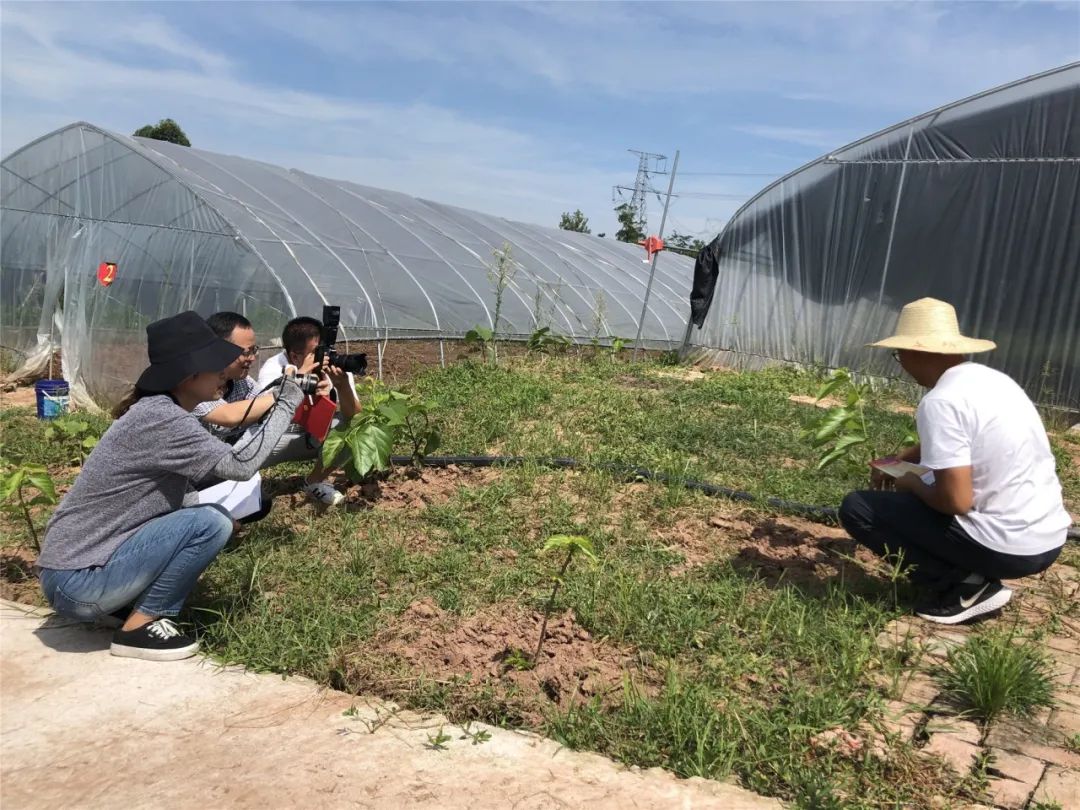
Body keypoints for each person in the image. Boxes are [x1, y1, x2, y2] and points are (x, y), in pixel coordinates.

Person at [36, 311, 306, 661]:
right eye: (215, 366)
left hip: (73, 577)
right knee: (211, 521)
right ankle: (140, 627)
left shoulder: (159, 411)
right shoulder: (162, 418)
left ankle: (125, 605)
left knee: (209, 516)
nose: (222, 374)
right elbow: (241, 465)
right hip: (77, 585)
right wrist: (286, 402)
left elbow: (179, 491)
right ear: (190, 375)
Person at [839, 298, 1071, 624]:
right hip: (1047, 538)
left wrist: (911, 482)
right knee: (932, 482)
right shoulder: (991, 380)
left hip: (1010, 548)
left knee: (858, 508)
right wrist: (902, 459)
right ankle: (972, 574)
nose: (901, 363)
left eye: (899, 354)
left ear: (916, 352)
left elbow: (955, 501)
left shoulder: (940, 402)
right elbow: (964, 438)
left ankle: (965, 587)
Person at [253, 315, 362, 506]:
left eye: (326, 350)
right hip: (279, 437)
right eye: (317, 353)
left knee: (355, 428)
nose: (325, 357)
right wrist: (301, 384)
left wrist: (342, 386)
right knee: (244, 460)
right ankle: (239, 486)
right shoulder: (274, 368)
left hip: (315, 436)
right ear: (294, 355)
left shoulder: (332, 368)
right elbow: (269, 417)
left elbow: (355, 415)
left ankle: (313, 482)